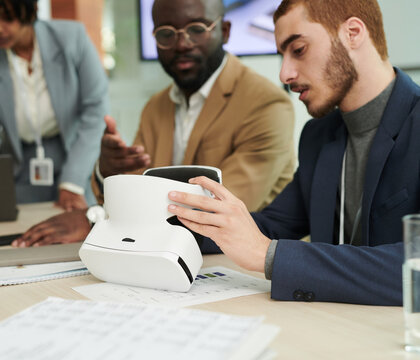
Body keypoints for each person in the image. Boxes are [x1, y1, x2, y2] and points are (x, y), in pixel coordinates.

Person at [167, 0, 420, 306]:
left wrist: (267, 254)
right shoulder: (319, 135)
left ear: (353, 33)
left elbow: (413, 267)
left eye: (298, 49)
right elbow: (270, 227)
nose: (285, 74)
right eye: (282, 56)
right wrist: (167, 222)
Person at [12, 0, 296, 247]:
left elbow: (217, 209)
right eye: (166, 34)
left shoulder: (266, 105)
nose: (182, 44)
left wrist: (95, 218)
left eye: (197, 29)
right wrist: (109, 172)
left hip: (232, 268)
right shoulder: (156, 106)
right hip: (159, 256)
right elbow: (136, 188)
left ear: (224, 31)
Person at [0, 0, 108, 209]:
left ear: (30, 12)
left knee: (80, 223)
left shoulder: (72, 38)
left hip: (77, 153)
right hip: (21, 162)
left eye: (7, 18)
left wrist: (72, 183)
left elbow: (96, 114)